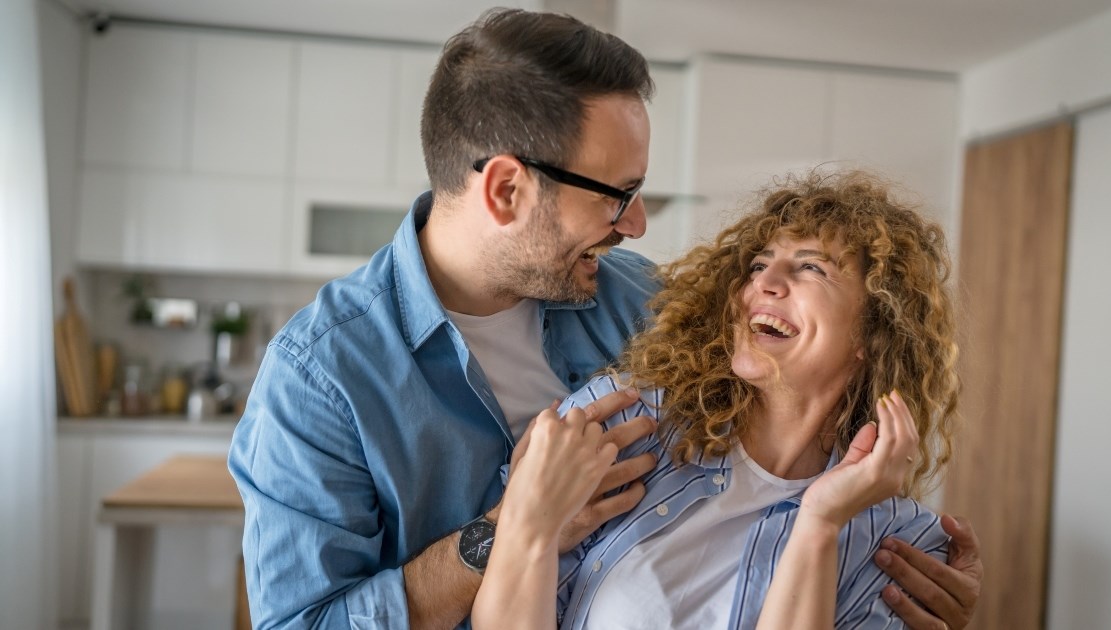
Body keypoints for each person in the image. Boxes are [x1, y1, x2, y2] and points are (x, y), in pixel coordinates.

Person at [229, 8, 981, 629]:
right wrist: (505, 530)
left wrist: (908, 575)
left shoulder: (647, 308)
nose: (639, 223)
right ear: (505, 192)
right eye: (616, 195)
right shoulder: (322, 378)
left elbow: (802, 424)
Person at [474, 170, 980, 629]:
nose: (765, 283)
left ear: (875, 331)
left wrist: (820, 524)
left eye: (811, 269)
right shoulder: (623, 419)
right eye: (759, 265)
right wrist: (528, 519)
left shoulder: (898, 545)